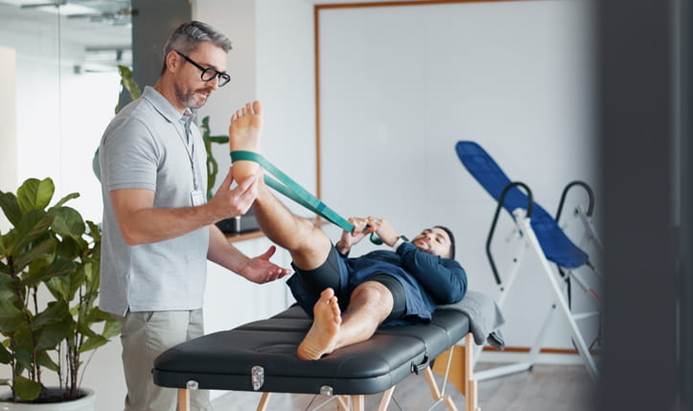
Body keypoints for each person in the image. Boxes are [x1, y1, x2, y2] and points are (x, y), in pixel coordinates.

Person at [98, 22, 289, 411]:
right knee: (158, 407)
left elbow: (195, 220)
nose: (214, 84)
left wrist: (243, 265)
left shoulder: (186, 130)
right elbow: (134, 224)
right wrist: (216, 209)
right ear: (173, 60)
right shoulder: (137, 128)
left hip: (186, 298)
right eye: (206, 71)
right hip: (152, 302)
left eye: (220, 75)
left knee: (197, 407)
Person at [227, 100, 468, 360]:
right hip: (341, 285)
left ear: (447, 256)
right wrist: (344, 246)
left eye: (438, 239)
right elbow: (339, 262)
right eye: (427, 232)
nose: (428, 236)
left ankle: (330, 339)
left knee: (372, 294)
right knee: (311, 238)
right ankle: (255, 185)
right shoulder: (389, 255)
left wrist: (397, 241)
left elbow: (450, 291)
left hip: (386, 290)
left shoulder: (449, 271)